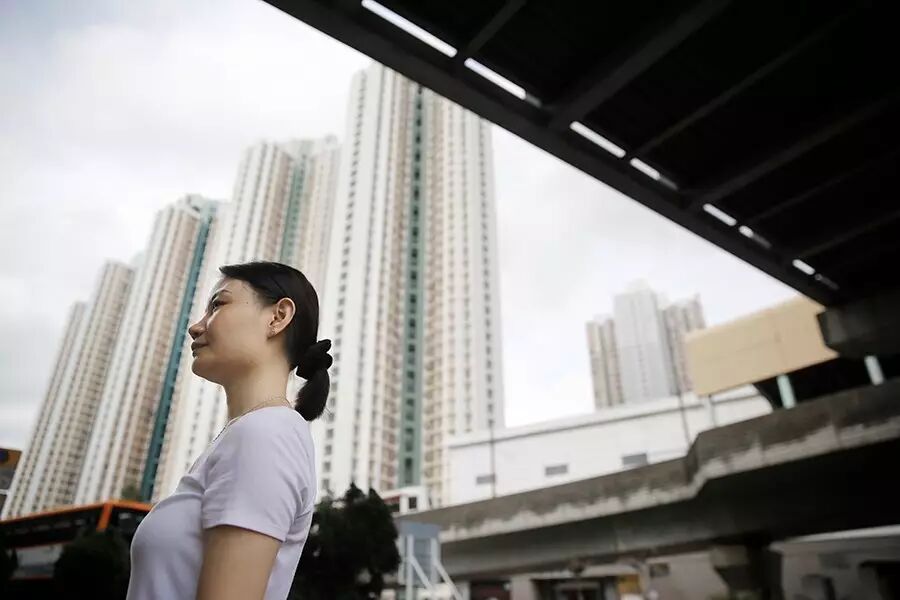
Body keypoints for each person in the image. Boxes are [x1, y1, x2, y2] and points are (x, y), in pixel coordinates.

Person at [126, 260, 331, 600]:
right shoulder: (250, 433)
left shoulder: (267, 434)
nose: (195, 327)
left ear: (278, 317)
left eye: (217, 305)